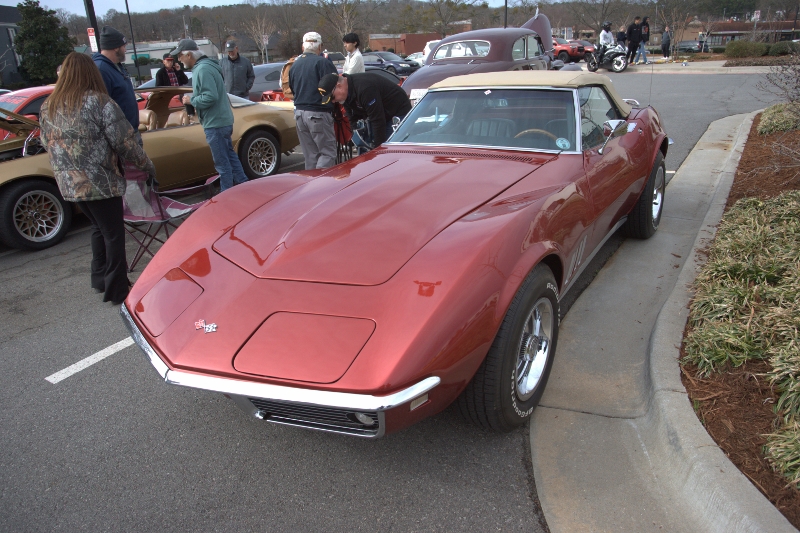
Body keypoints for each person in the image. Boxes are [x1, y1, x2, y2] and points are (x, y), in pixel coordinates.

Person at [39, 52, 156, 305]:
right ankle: (117, 289)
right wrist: (147, 166)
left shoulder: (49, 106)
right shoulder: (100, 103)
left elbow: (45, 142)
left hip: (69, 184)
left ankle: (99, 277)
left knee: (98, 228)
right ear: (91, 73)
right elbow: (124, 142)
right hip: (100, 181)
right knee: (113, 234)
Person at [172, 39, 248, 191]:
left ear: (188, 55)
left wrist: (191, 100)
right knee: (230, 157)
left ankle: (227, 195)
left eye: (180, 56)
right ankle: (245, 187)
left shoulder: (202, 70)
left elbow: (210, 96)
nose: (179, 60)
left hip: (215, 124)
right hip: (221, 121)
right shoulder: (207, 66)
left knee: (222, 164)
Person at [318, 72, 411, 152]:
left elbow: (378, 120)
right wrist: (355, 134)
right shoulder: (346, 93)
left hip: (397, 111)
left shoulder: (364, 88)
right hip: (380, 113)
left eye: (332, 97)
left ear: (339, 86)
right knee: (366, 143)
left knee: (386, 145)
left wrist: (378, 150)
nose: (333, 101)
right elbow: (351, 117)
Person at [288, 32, 338, 170]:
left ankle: (311, 182)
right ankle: (321, 182)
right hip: (318, 113)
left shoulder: (294, 65)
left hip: (299, 113)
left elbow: (291, 88)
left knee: (310, 156)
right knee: (327, 153)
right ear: (320, 46)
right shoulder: (323, 63)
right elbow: (333, 87)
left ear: (303, 47)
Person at [93, 26, 139, 134]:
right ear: (116, 47)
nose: (125, 50)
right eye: (124, 46)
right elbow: (101, 106)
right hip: (119, 134)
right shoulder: (101, 69)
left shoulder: (116, 66)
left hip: (129, 131)